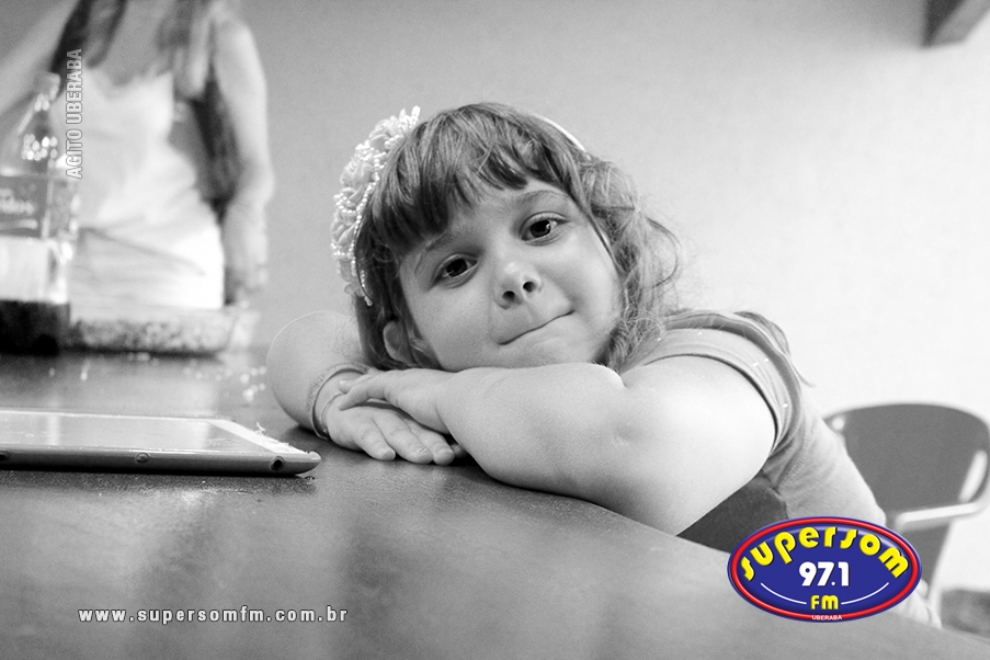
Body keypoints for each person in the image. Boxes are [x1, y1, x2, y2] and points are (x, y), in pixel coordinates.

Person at [266, 102, 936, 623]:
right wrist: (339, 397)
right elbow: (304, 338)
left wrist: (441, 393)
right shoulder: (472, 390)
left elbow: (638, 447)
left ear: (610, 243)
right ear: (410, 340)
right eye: (456, 266)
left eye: (540, 228)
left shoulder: (722, 355)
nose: (514, 276)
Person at [0, 0, 273, 308]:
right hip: (67, 264)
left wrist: (245, 214)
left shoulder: (220, 36)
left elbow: (256, 165)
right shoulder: (77, 19)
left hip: (166, 268)